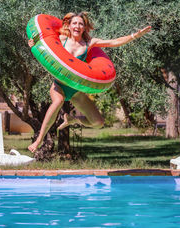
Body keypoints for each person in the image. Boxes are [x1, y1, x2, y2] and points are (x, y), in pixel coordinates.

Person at [28, 12, 151, 153]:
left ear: (84, 27)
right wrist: (33, 46)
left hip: (75, 90)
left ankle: (74, 120)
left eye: (81, 24)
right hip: (59, 86)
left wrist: (135, 36)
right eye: (74, 23)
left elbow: (113, 42)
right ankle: (39, 140)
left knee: (98, 123)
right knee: (58, 101)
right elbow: (45, 49)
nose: (77, 26)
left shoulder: (89, 43)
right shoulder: (62, 39)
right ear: (69, 25)